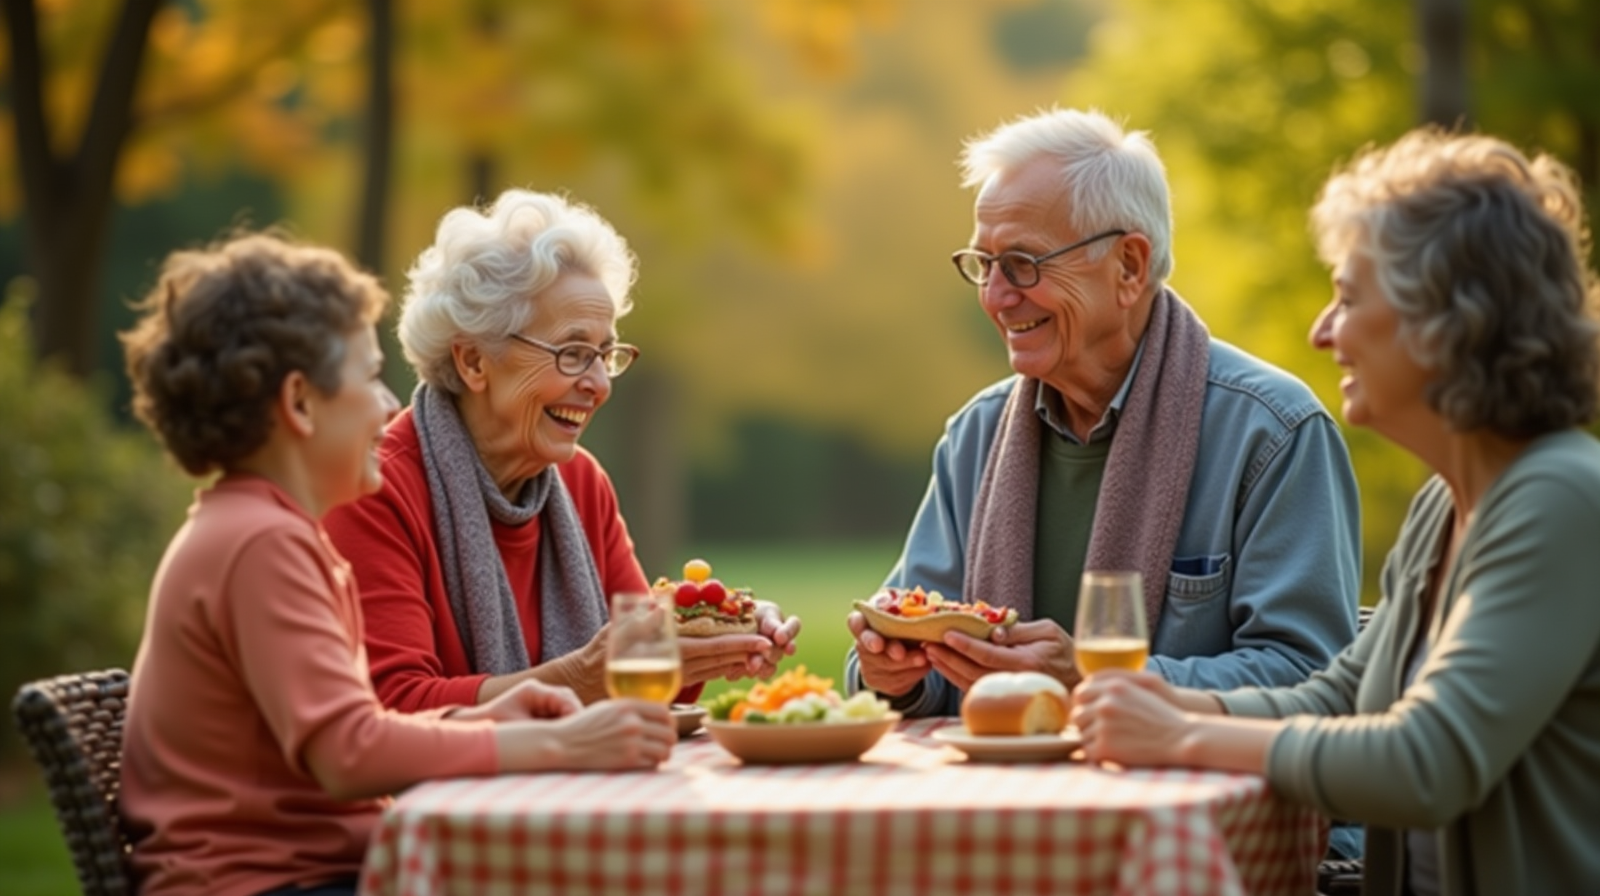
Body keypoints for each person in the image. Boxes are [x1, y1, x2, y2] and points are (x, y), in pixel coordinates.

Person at [1071, 130, 1600, 895]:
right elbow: (1342, 696)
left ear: (1449, 319)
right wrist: (1175, 699)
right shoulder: (1446, 504)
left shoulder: (1559, 499)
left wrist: (1183, 735)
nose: (1323, 332)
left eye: (1349, 298)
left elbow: (1428, 762)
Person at [117, 234, 677, 896]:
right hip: (264, 883)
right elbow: (350, 754)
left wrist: (483, 717)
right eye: (367, 376)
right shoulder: (259, 543)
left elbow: (352, 726)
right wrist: (562, 746)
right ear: (299, 403)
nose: (389, 405)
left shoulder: (269, 529)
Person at [846, 108, 1362, 715]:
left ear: (1129, 267)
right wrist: (890, 672)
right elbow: (894, 662)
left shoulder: (1271, 431)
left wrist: (1096, 678)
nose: (996, 296)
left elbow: (1311, 679)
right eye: (983, 265)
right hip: (1000, 799)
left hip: (1188, 805)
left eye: (1023, 264)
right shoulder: (975, 437)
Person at [322, 189, 799, 712]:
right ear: (474, 362)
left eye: (605, 354)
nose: (599, 383)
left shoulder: (580, 483)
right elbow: (397, 706)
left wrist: (719, 635)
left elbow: (641, 670)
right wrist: (582, 678)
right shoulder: (374, 487)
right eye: (573, 353)